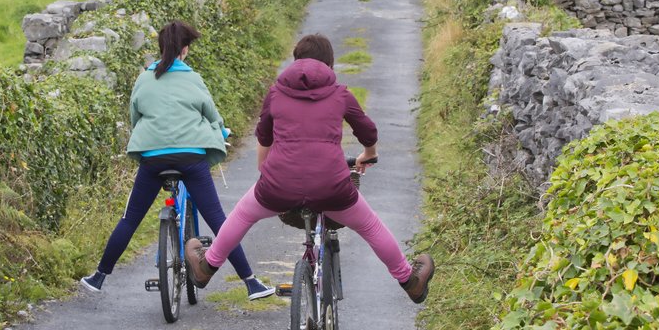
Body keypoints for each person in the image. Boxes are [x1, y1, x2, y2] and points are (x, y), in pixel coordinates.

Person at [185, 33, 435, 303]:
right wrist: (368, 154)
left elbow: (264, 137)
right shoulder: (340, 93)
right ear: (330, 64)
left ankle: (207, 267)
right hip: (332, 188)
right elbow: (367, 130)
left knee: (243, 215)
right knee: (370, 226)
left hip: (278, 186)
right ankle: (409, 281)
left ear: (296, 61)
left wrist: (265, 174)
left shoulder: (276, 92)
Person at [80, 20, 274, 300]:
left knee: (130, 219)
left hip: (153, 159)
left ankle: (98, 277)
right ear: (184, 49)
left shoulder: (145, 78)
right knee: (220, 220)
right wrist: (221, 131)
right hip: (191, 158)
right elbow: (211, 115)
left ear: (161, 48)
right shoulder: (192, 78)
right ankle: (251, 282)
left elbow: (135, 117)